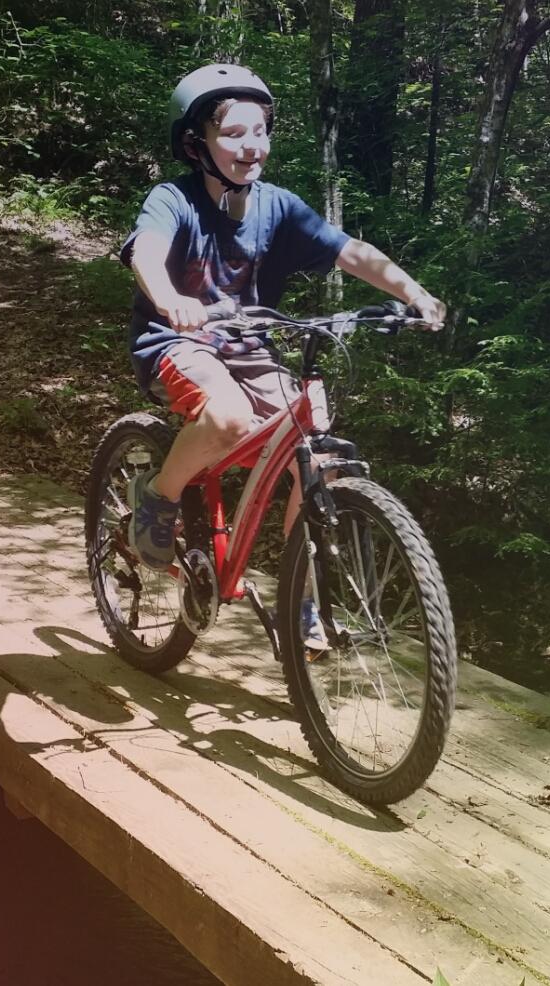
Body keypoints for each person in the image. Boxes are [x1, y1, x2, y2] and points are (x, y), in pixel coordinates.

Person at [121, 63, 446, 599]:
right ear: (195, 142)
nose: (251, 146)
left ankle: (302, 595)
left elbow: (350, 252)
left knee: (320, 454)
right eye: (232, 133)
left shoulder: (278, 205)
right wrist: (171, 300)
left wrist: (412, 293)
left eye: (260, 131)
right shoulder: (173, 199)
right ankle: (158, 496)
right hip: (177, 343)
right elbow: (147, 252)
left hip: (248, 346)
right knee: (227, 417)